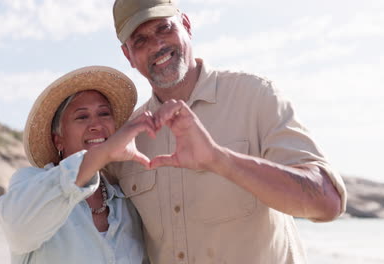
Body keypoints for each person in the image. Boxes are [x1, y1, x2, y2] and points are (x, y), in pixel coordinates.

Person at [110, 0, 348, 263]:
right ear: (128, 55)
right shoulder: (128, 138)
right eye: (140, 40)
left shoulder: (255, 96)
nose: (156, 45)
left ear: (186, 25)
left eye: (164, 28)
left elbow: (328, 203)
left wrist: (219, 160)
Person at [0, 66, 154, 263]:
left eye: (104, 114)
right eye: (82, 116)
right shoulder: (31, 183)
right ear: (58, 140)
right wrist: (101, 153)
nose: (96, 125)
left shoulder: (125, 203)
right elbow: (18, 229)